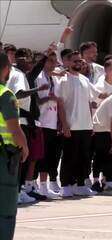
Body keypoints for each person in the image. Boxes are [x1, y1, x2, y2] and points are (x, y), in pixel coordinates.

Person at [56, 51, 105, 197]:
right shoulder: (63, 79)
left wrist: (91, 123)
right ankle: (65, 185)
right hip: (71, 125)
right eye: (75, 61)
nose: (78, 64)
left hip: (86, 126)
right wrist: (64, 125)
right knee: (69, 157)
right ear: (68, 62)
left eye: (80, 61)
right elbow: (60, 103)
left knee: (84, 157)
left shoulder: (84, 79)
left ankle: (80, 184)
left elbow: (93, 99)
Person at [8, 48, 50, 202]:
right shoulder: (18, 74)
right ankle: (17, 192)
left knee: (22, 159)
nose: (31, 63)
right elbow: (18, 94)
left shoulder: (18, 74)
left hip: (21, 120)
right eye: (28, 59)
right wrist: (38, 89)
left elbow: (37, 68)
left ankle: (19, 191)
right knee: (21, 159)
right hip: (20, 120)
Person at [0, 52, 29, 240]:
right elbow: (14, 129)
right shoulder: (5, 94)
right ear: (5, 69)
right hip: (4, 157)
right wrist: (25, 147)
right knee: (6, 205)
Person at [90, 59, 112, 192]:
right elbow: (93, 104)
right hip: (99, 126)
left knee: (111, 154)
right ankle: (96, 180)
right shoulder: (99, 86)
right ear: (107, 70)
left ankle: (107, 178)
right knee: (100, 154)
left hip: (111, 126)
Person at [35, 51, 62, 197]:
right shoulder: (39, 78)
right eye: (49, 61)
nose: (52, 64)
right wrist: (48, 99)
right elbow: (37, 101)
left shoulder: (53, 79)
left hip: (52, 122)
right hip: (42, 121)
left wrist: (58, 120)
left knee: (50, 156)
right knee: (41, 157)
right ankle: (38, 186)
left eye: (54, 61)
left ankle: (45, 186)